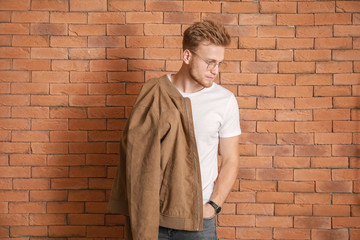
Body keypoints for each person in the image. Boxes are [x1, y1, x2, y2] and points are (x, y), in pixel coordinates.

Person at [108, 20, 241, 240]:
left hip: (198, 219)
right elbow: (134, 153)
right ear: (187, 56)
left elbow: (231, 160)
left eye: (219, 63)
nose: (215, 71)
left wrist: (213, 206)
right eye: (209, 62)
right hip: (153, 216)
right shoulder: (154, 92)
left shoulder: (224, 100)